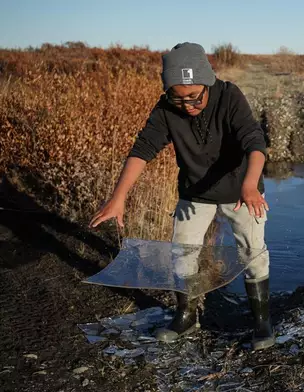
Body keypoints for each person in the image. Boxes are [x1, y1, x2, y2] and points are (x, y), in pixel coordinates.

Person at [89, 42, 275, 350]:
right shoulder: (165, 109)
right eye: (177, 97)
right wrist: (118, 196)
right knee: (182, 254)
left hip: (243, 192)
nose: (186, 104)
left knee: (253, 251)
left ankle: (261, 321)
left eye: (193, 96)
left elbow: (254, 141)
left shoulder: (229, 96)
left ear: (207, 82)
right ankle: (186, 317)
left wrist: (250, 183)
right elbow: (142, 150)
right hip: (195, 194)